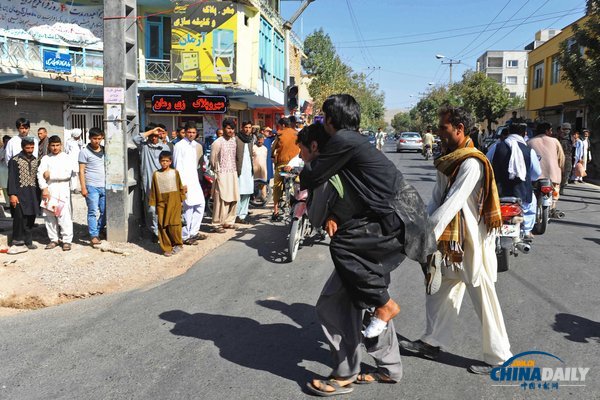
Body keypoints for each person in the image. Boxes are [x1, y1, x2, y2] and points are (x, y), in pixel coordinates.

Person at [301, 95, 436, 395]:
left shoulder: (341, 145)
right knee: (364, 294)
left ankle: (347, 371)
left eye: (302, 149)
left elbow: (313, 183)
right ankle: (389, 367)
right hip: (386, 230)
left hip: (390, 224)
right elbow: (354, 196)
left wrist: (306, 174)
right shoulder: (353, 151)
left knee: (342, 287)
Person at [400, 106, 512, 375]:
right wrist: (422, 228)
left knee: (483, 296)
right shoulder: (447, 160)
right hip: (449, 243)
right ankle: (432, 340)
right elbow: (436, 199)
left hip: (471, 240)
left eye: (443, 128)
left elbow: (452, 204)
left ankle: (501, 358)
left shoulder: (472, 163)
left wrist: (427, 238)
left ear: (459, 129)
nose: (438, 133)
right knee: (439, 291)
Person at [487, 123, 541, 240]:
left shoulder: (496, 147)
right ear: (524, 134)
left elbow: (486, 164)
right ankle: (526, 231)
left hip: (498, 192)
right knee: (533, 203)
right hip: (521, 193)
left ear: (509, 132)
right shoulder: (529, 151)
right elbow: (536, 174)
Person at [37, 135, 74, 251]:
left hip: (62, 189)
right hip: (49, 190)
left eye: (57, 145)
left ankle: (67, 240)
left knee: (64, 216)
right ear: (49, 146)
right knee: (49, 216)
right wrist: (44, 188)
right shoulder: (45, 159)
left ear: (61, 145)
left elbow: (67, 174)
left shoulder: (66, 158)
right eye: (52, 145)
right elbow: (40, 174)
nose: (55, 148)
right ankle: (53, 239)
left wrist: (50, 175)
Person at [133, 125, 169, 239]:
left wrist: (163, 137)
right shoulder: (144, 147)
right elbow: (135, 139)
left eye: (156, 136)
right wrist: (151, 131)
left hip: (162, 182)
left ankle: (162, 230)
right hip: (149, 182)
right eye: (152, 136)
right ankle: (154, 231)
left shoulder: (164, 147)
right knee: (151, 209)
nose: (154, 138)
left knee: (162, 207)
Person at [173, 123, 206, 245]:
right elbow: (177, 166)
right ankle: (185, 236)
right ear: (185, 132)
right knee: (188, 208)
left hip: (194, 180)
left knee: (200, 205)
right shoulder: (179, 145)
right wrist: (182, 183)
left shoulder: (195, 145)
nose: (191, 134)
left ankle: (194, 232)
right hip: (185, 181)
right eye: (189, 132)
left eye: (193, 132)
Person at [148, 151, 185, 257]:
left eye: (166, 161)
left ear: (170, 162)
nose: (164, 163)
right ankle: (167, 247)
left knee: (174, 224)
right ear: (159, 161)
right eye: (162, 161)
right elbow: (154, 190)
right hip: (161, 203)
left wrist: (181, 200)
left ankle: (178, 244)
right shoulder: (156, 174)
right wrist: (153, 203)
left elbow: (180, 186)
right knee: (162, 224)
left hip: (174, 202)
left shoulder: (175, 172)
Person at [7, 137, 40, 254]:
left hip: (33, 193)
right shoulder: (15, 160)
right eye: (28, 147)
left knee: (31, 217)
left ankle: (28, 240)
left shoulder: (36, 160)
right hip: (19, 194)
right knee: (19, 217)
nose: (30, 150)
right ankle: (17, 241)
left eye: (32, 147)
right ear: (22, 147)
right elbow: (11, 178)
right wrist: (12, 194)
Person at [527, 122, 565, 218]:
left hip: (534, 177)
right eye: (551, 130)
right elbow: (562, 158)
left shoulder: (530, 142)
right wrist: (561, 169)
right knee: (555, 192)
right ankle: (553, 208)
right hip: (553, 176)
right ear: (547, 131)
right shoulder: (555, 141)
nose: (551, 132)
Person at [209, 118, 239, 233]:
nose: (231, 131)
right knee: (221, 199)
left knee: (234, 198)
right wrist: (218, 172)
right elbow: (213, 160)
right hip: (221, 173)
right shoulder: (217, 142)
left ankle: (229, 221)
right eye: (228, 128)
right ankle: (216, 223)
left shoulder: (233, 141)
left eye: (232, 129)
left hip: (233, 172)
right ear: (224, 128)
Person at [79, 127, 106, 245]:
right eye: (94, 138)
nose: (97, 141)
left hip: (105, 186)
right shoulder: (84, 152)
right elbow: (81, 171)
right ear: (90, 138)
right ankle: (94, 235)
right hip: (91, 186)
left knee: (105, 211)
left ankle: (100, 229)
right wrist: (83, 187)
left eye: (99, 139)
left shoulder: (105, 150)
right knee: (92, 211)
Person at [271, 118, 300, 220]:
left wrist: (272, 156)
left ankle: (275, 210)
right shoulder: (297, 134)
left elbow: (273, 148)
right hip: (295, 165)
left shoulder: (280, 134)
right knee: (296, 184)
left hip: (282, 165)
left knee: (277, 185)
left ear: (283, 125)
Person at [235, 121, 254, 225]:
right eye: (245, 127)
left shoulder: (251, 140)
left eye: (249, 127)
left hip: (249, 170)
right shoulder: (236, 139)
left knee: (247, 193)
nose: (247, 129)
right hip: (239, 170)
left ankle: (243, 215)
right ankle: (237, 214)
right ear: (242, 128)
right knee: (238, 193)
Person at [64, 128, 83, 193]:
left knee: (80, 173)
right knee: (72, 174)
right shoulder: (69, 141)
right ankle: (73, 188)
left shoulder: (80, 141)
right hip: (71, 159)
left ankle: (82, 187)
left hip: (79, 159)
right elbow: (66, 150)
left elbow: (81, 148)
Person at [557, 123, 573, 194]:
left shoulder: (571, 138)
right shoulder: (558, 137)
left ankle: (562, 187)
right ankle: (557, 187)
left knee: (566, 173)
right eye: (565, 129)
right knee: (558, 173)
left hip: (568, 158)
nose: (567, 130)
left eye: (568, 129)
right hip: (559, 157)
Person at [252, 133, 268, 199]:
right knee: (254, 183)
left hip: (263, 169)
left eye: (261, 140)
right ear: (257, 140)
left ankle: (263, 197)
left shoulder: (265, 148)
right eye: (259, 140)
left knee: (263, 183)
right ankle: (253, 197)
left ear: (263, 141)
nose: (260, 141)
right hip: (255, 169)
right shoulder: (253, 147)